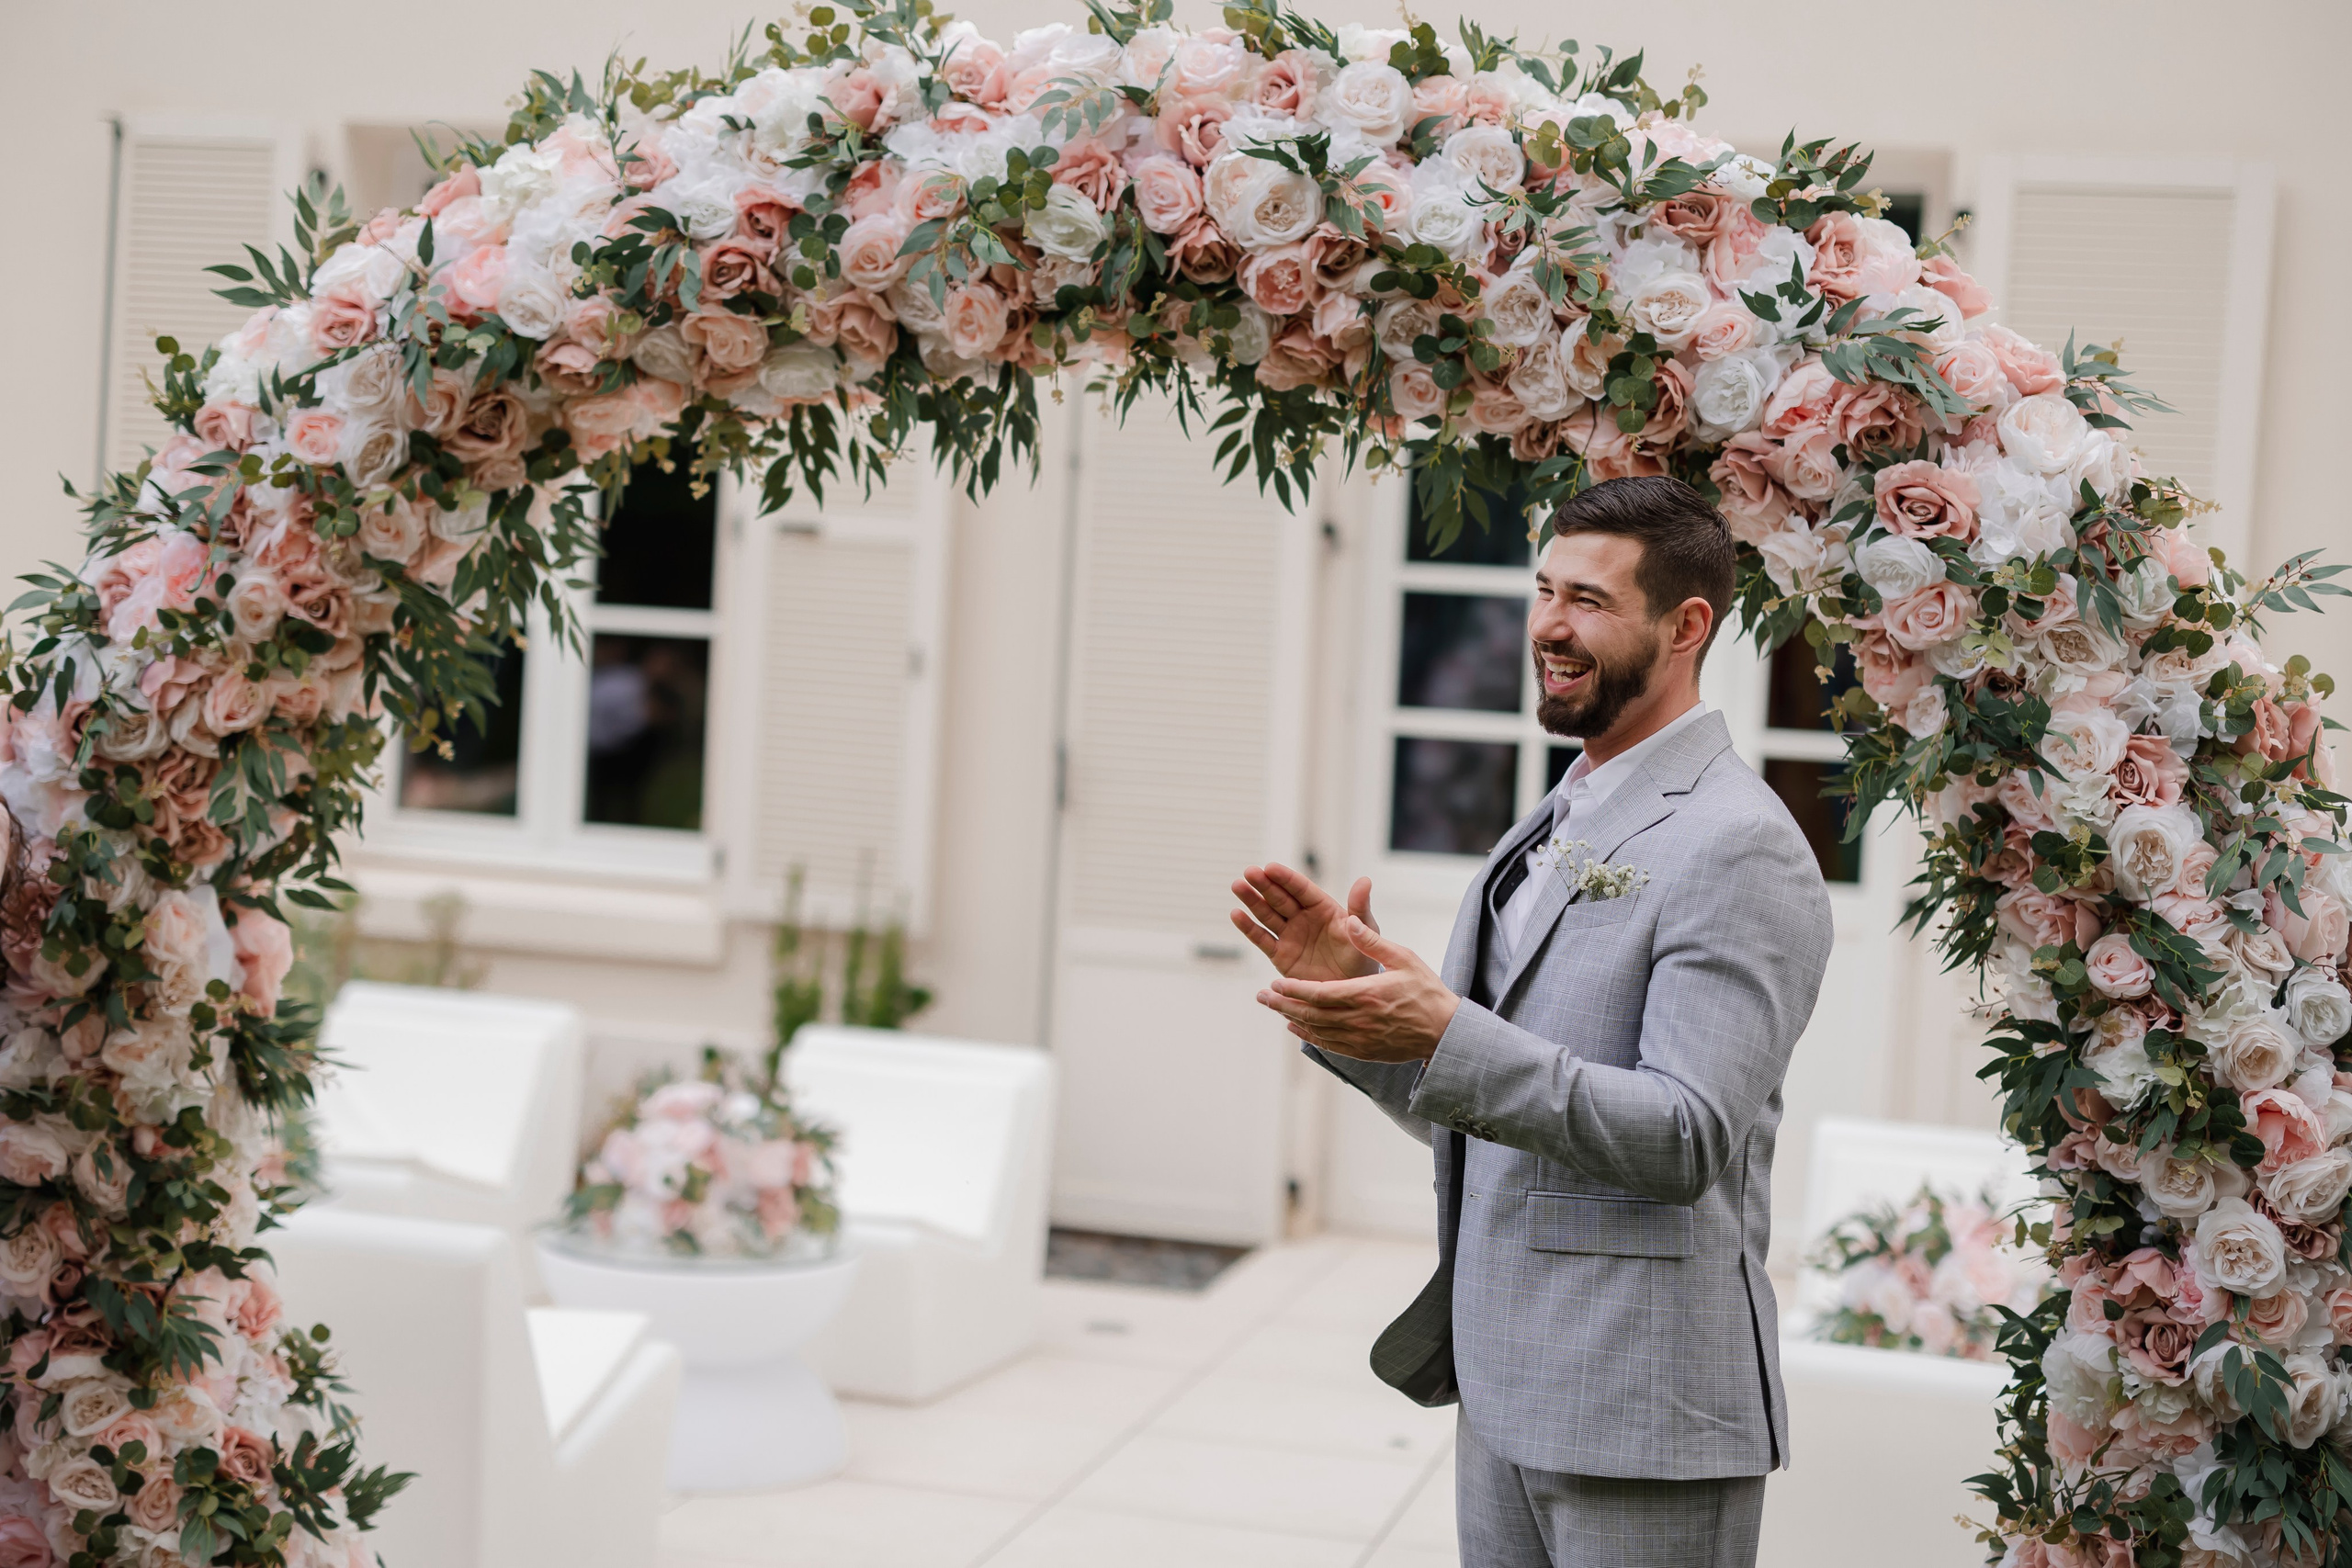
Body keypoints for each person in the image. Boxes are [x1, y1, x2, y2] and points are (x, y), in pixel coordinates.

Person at [1230, 475, 1833, 1568]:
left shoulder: (1737, 844)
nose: (1548, 627)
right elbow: (1501, 1110)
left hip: (1644, 1410)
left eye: (1589, 601)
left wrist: (1448, 1032)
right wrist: (1360, 1014)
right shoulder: (1564, 808)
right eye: (1543, 591)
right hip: (1507, 1383)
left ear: (1686, 625)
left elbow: (1685, 1136)